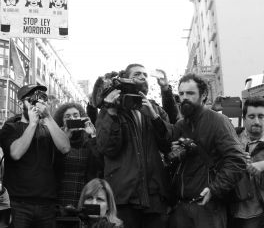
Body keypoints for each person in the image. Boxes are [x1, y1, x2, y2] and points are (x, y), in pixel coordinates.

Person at [149, 73, 246, 228]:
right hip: (181, 207)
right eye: (181, 93)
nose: (184, 97)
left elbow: (237, 160)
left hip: (207, 207)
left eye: (190, 93)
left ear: (203, 95)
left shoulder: (218, 121)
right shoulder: (181, 125)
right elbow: (166, 140)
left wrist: (214, 189)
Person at [95, 64, 178, 228]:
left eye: (145, 75)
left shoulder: (155, 109)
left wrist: (154, 118)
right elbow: (107, 148)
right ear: (125, 79)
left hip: (154, 195)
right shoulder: (110, 110)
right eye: (137, 74)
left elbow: (168, 144)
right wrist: (111, 112)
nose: (143, 77)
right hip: (124, 196)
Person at [0, 84, 70, 228]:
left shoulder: (49, 128)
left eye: (42, 99)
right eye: (31, 100)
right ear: (20, 103)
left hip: (47, 204)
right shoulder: (11, 127)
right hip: (18, 203)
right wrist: (32, 124)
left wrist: (48, 117)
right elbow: (16, 153)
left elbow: (65, 148)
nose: (38, 103)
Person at [54, 102, 103, 208]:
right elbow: (53, 165)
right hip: (60, 196)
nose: (72, 118)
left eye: (76, 115)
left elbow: (99, 164)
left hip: (84, 196)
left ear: (82, 118)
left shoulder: (88, 140)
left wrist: (92, 135)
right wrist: (64, 138)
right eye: (67, 116)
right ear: (61, 121)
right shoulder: (56, 139)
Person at [228, 96, 264, 228]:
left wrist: (262, 165)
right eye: (252, 116)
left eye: (261, 116)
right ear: (244, 119)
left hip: (259, 211)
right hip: (236, 210)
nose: (257, 121)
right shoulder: (233, 138)